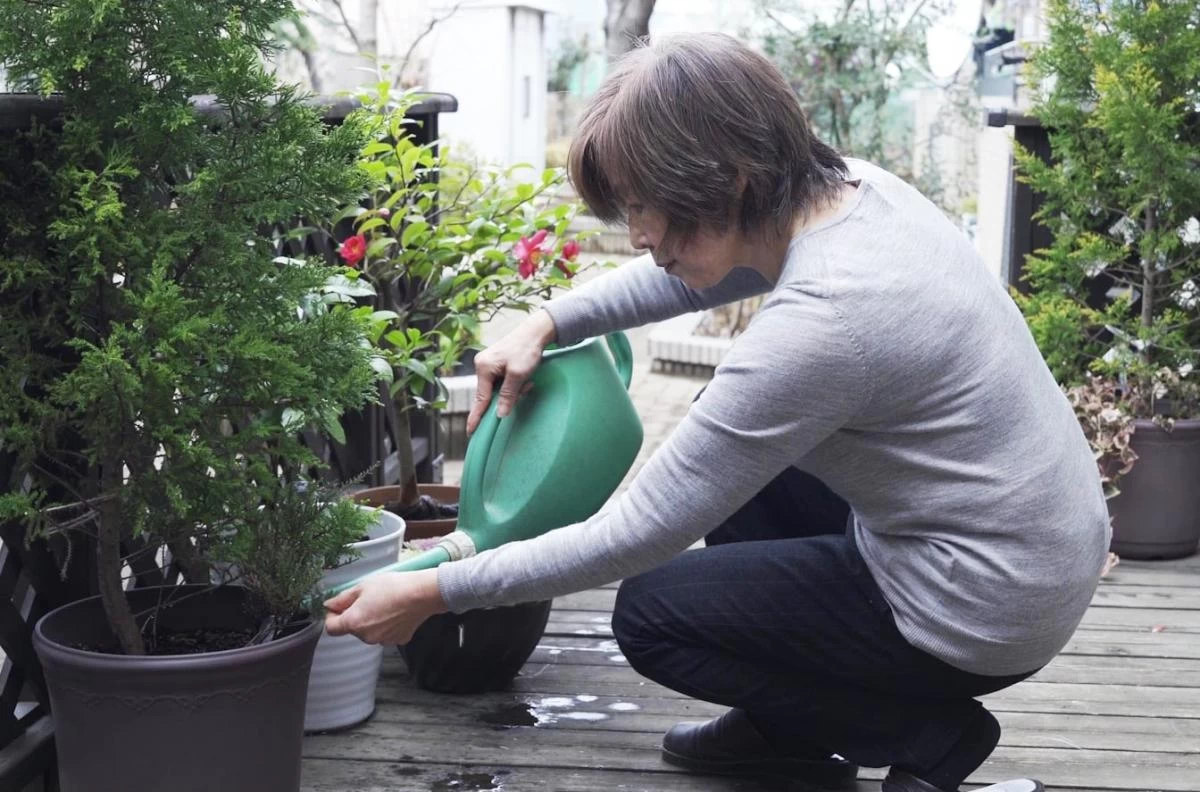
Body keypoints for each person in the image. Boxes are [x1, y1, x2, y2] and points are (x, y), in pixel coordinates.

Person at [324, 32, 1110, 792]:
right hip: (1027, 541)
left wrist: (435, 593)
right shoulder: (851, 192)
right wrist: (550, 321)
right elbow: (694, 273)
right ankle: (787, 733)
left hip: (983, 601)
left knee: (656, 614)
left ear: (727, 181)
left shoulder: (829, 320)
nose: (637, 237)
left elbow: (636, 534)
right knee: (729, 430)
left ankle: (928, 736)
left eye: (646, 207)